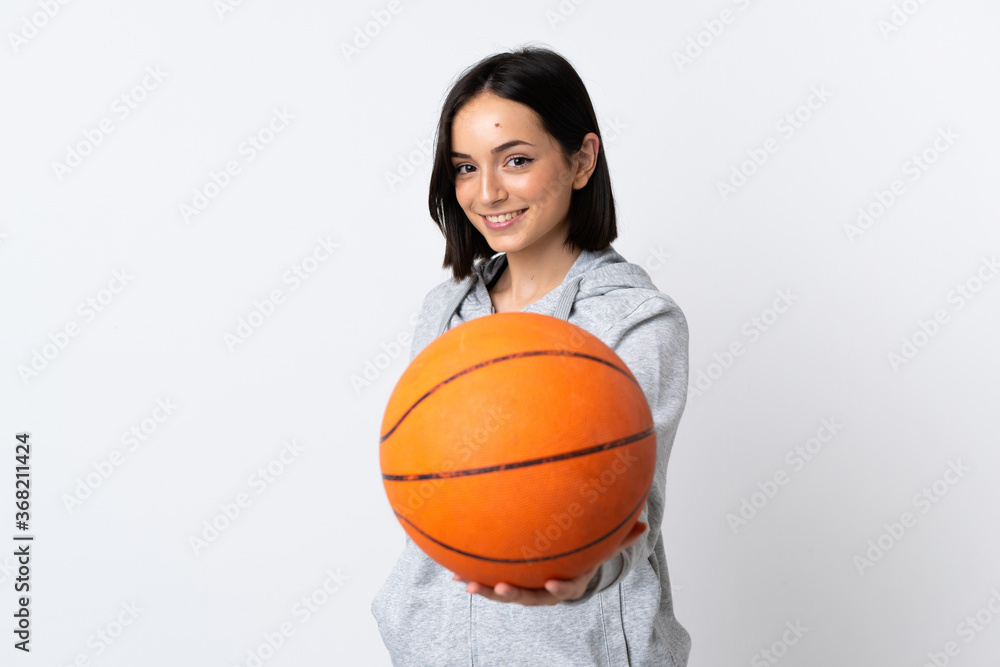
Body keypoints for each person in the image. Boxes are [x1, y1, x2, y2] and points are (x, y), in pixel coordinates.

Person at [371, 45, 691, 666]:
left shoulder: (635, 321)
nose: (487, 192)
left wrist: (581, 575)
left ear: (581, 160)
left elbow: (630, 520)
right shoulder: (446, 312)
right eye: (465, 167)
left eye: (515, 160)